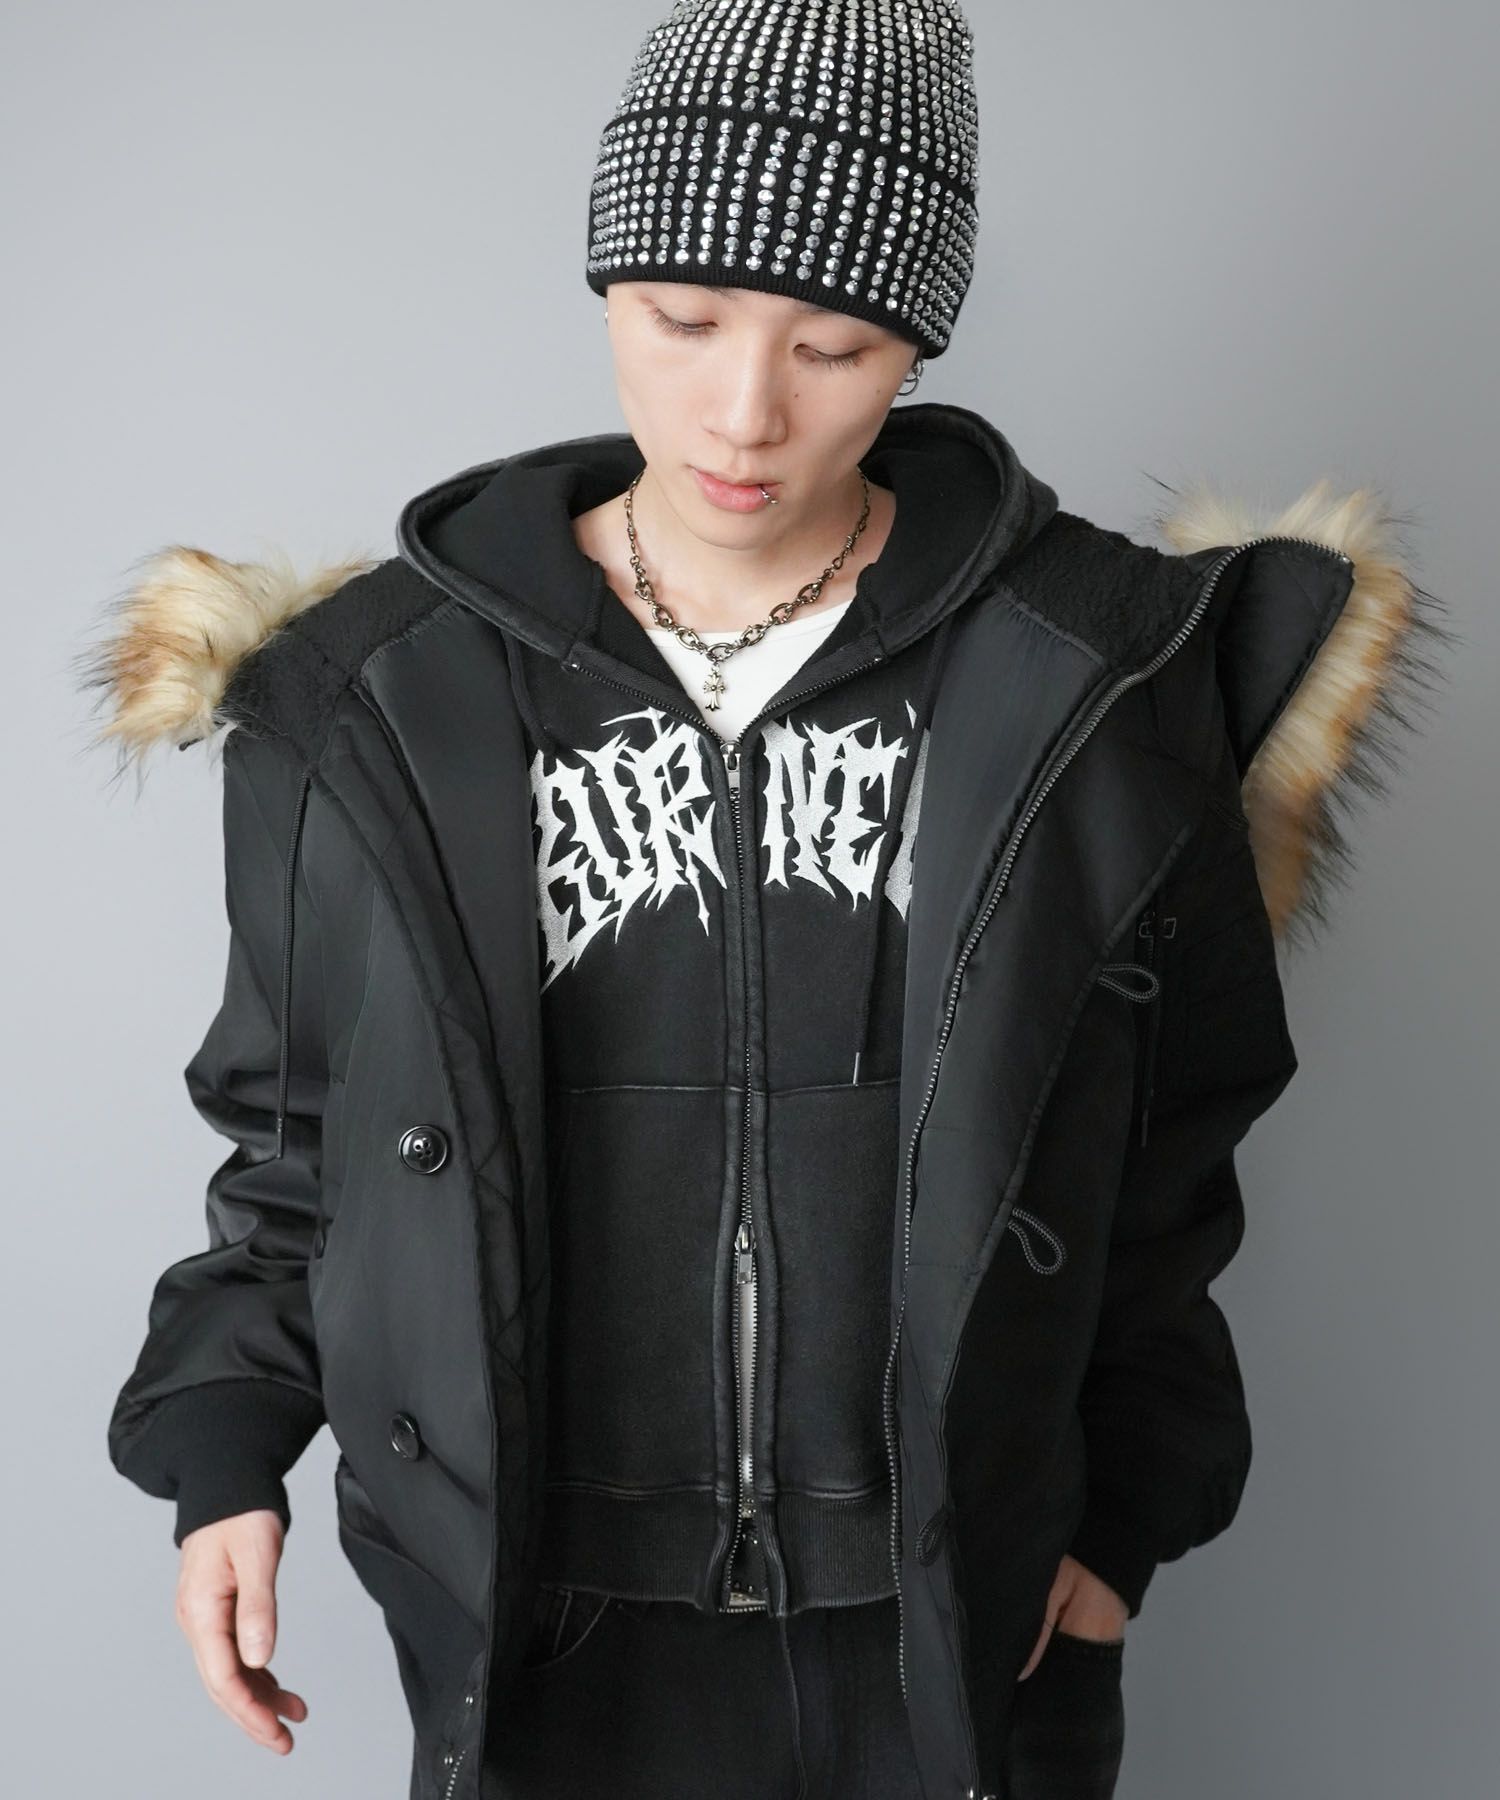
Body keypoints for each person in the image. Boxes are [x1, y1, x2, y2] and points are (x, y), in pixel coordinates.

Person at [79, 3, 1449, 1796]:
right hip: (542, 1637)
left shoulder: (1098, 674)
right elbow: (295, 1143)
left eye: (835, 344)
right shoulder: (375, 696)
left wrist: (1126, 1515)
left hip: (956, 1640)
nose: (746, 411)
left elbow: (1174, 1146)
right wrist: (224, 1457)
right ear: (606, 287)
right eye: (685, 319)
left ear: (916, 343)